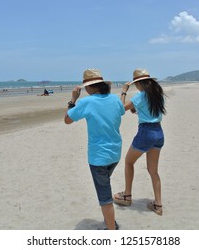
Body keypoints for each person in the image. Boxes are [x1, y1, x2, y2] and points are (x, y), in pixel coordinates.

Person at [64, 69, 125, 230]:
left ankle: (111, 228)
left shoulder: (86, 102)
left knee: (104, 196)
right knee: (105, 184)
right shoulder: (115, 99)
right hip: (115, 153)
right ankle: (109, 221)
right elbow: (121, 112)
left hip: (98, 156)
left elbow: (67, 119)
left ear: (89, 87)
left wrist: (73, 100)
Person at [114, 68, 166, 216]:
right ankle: (158, 204)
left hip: (146, 133)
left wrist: (123, 91)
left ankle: (127, 195)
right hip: (158, 133)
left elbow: (121, 109)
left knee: (128, 162)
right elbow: (150, 111)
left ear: (139, 84)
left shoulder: (140, 95)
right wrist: (136, 109)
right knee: (153, 171)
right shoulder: (157, 95)